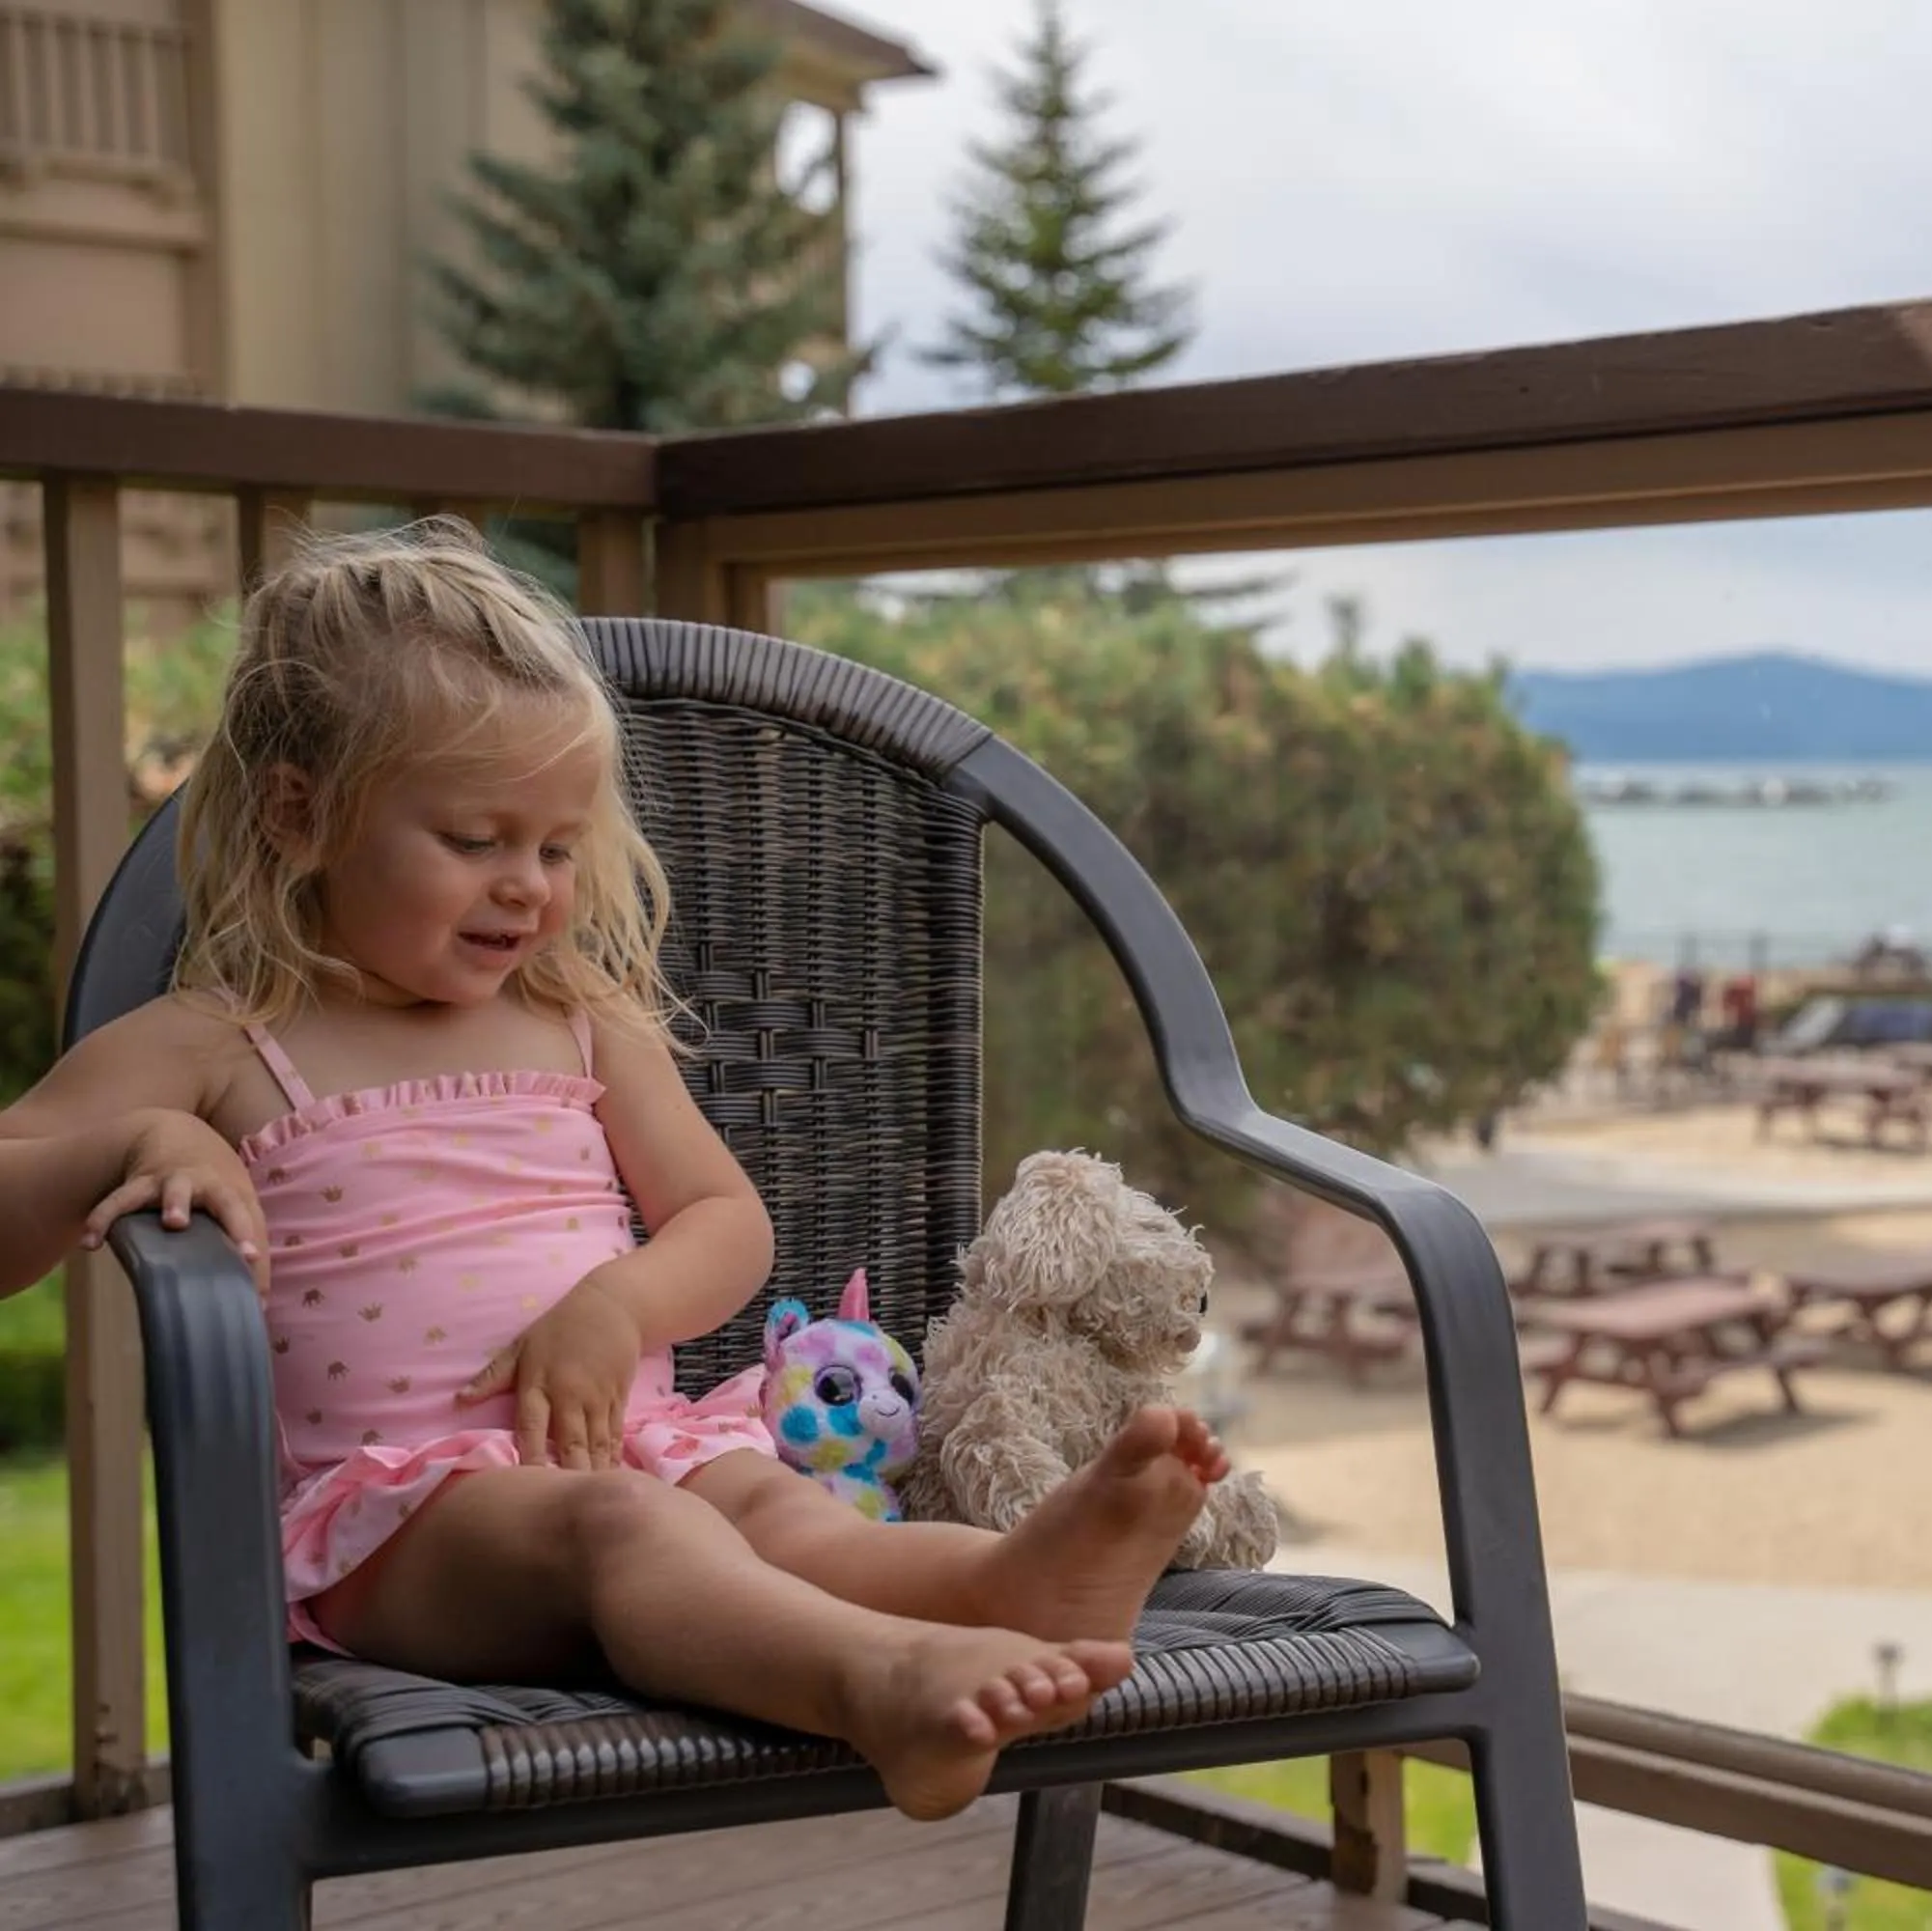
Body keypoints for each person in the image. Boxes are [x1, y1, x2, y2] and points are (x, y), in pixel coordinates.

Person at [0, 520, 1228, 1824]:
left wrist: (620, 1306)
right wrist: (132, 1145)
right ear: (303, 814)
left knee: (777, 1514)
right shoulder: (219, 1041)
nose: (526, 887)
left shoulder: (580, 1020)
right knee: (629, 1533)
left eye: (556, 845)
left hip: (642, 1447)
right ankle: (879, 1683)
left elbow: (723, 1221)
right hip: (398, 1527)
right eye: (476, 839)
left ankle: (1011, 1587)